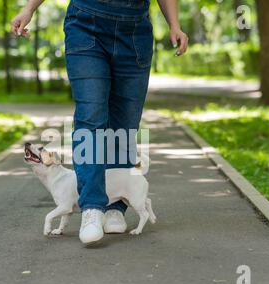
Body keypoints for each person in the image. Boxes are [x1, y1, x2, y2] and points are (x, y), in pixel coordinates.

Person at [12, 0, 188, 245]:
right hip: (86, 26)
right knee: (90, 117)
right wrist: (29, 9)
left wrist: (174, 24)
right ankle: (92, 207)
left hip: (134, 31)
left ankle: (115, 205)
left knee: (125, 124)